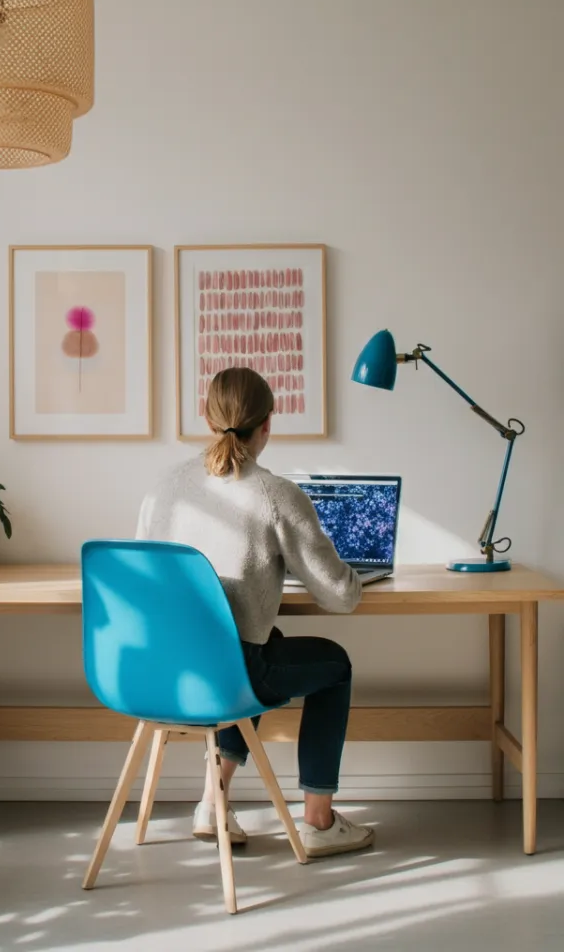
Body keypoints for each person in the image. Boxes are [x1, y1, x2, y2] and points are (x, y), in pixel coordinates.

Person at [135, 367, 374, 858]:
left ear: (206, 416)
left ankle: (212, 802)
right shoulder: (276, 495)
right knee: (332, 665)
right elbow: (340, 597)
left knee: (261, 641)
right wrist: (352, 571)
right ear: (268, 425)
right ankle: (318, 821)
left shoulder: (166, 486)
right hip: (229, 675)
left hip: (161, 670)